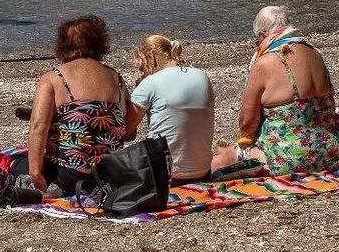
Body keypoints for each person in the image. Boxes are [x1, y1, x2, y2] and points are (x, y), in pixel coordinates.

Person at [222, 6, 339, 175]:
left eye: (256, 40)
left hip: (287, 158)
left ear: (263, 33)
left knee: (223, 159)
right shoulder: (316, 54)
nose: (257, 45)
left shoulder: (266, 62)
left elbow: (247, 123)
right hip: (335, 154)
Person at [27, 16, 133, 196]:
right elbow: (129, 133)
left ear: (62, 44)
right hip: (109, 176)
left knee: (14, 164)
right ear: (100, 43)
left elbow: (38, 126)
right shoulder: (117, 79)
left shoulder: (54, 79)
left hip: (68, 176)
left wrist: (36, 175)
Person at [126, 35, 214, 182]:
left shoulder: (150, 83)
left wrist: (136, 93)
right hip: (202, 173)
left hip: (163, 177)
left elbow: (127, 133)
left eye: (143, 67)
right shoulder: (203, 76)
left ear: (151, 58)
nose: (144, 73)